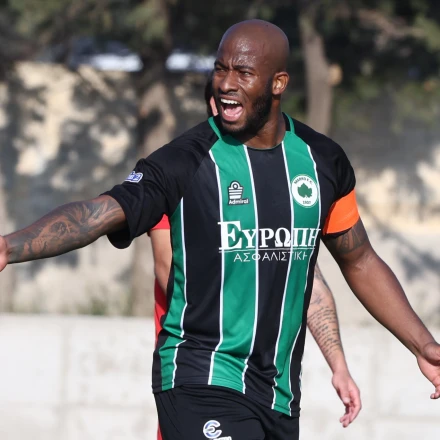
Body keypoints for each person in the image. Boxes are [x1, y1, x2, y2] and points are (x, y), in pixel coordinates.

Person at [1, 19, 439, 440]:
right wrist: (10, 246)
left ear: (278, 83)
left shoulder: (323, 162)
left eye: (243, 73)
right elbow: (99, 213)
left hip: (279, 394)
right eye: (220, 69)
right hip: (199, 377)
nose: (226, 83)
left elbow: (358, 260)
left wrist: (421, 344)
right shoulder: (184, 161)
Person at [148, 77, 361, 435]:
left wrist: (338, 365)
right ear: (211, 107)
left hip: (271, 387)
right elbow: (167, 267)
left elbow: (305, 279)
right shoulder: (185, 172)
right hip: (201, 375)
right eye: (220, 100)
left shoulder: (278, 179)